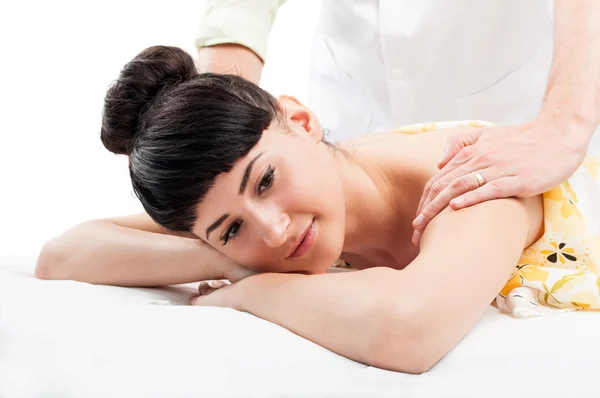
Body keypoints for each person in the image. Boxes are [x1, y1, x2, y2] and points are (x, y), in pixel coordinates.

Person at [36, 46, 600, 373]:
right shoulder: (254, 236)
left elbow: (408, 331)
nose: (274, 230)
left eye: (267, 181)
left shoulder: (468, 176)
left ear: (301, 121)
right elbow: (64, 255)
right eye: (229, 228)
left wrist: (250, 291)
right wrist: (229, 261)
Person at [195, 0, 600, 246]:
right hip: (354, 110)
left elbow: (409, 328)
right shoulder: (284, 202)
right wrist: (214, 141)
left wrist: (564, 126)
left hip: (509, 115)